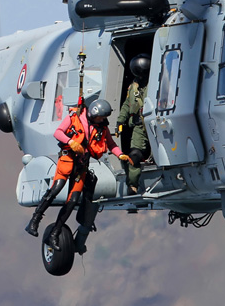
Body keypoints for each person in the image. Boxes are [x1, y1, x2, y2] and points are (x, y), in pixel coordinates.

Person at [25, 98, 125, 251]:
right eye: (101, 117)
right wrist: (71, 142)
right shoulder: (75, 118)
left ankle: (55, 233)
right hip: (68, 159)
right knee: (56, 188)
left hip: (82, 165)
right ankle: (35, 220)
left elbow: (110, 144)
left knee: (73, 200)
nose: (102, 120)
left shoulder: (101, 128)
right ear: (93, 113)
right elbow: (58, 133)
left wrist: (120, 155)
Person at [116, 54, 151, 195]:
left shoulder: (156, 83)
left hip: (156, 123)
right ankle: (132, 185)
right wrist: (120, 119)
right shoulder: (133, 87)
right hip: (139, 127)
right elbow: (127, 104)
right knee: (134, 154)